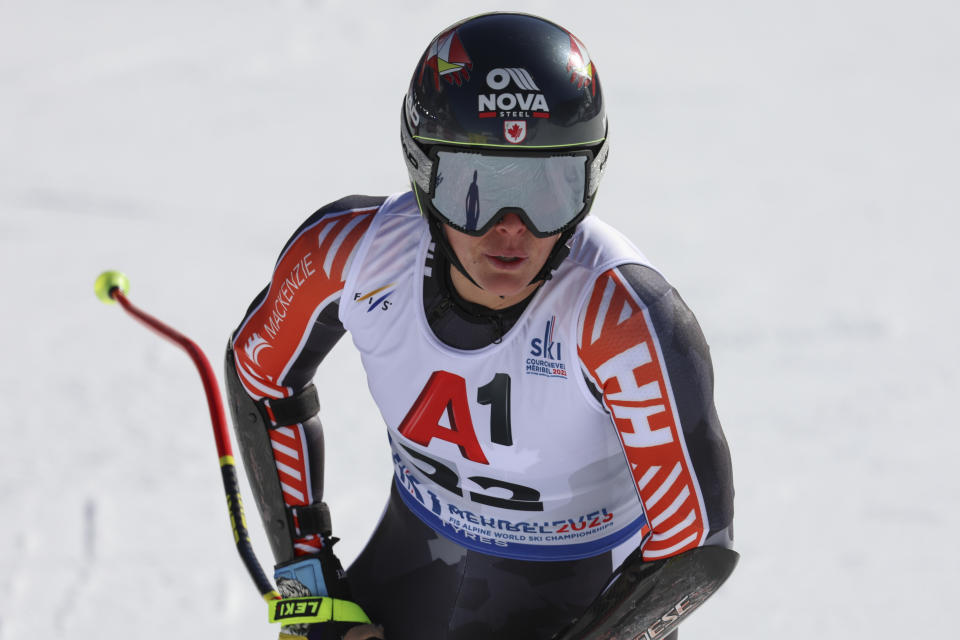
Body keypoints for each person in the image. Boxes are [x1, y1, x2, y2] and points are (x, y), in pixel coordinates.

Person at [224, 12, 736, 640]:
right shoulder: (346, 256)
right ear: (423, 170)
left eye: (550, 187)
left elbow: (694, 543)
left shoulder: (621, 318)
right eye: (476, 185)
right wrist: (314, 599)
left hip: (586, 602)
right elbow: (259, 377)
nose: (511, 229)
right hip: (412, 570)